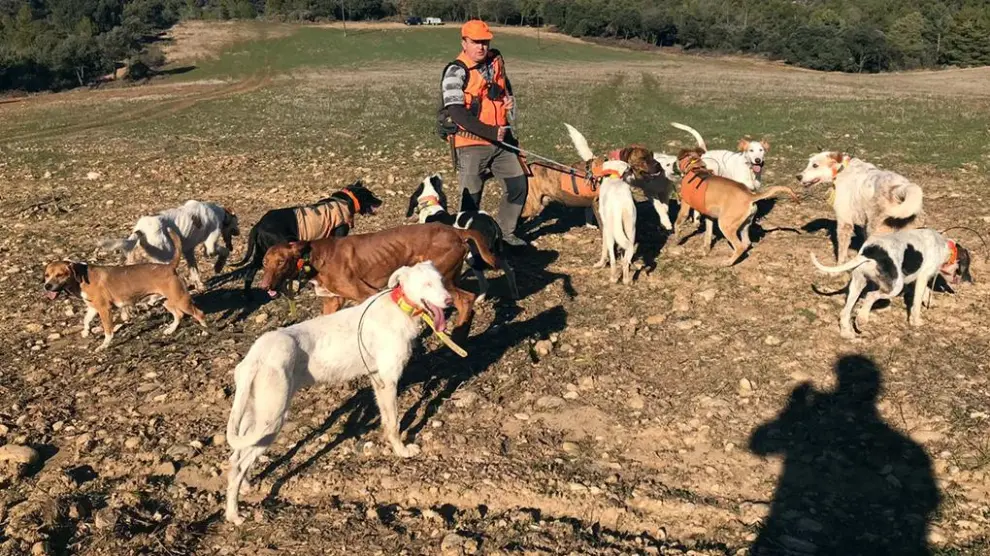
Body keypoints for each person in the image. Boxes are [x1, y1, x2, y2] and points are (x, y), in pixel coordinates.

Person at [438, 19, 529, 246]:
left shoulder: (496, 63)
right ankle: (468, 244)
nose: (481, 47)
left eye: (485, 42)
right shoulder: (455, 71)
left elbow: (505, 91)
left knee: (518, 185)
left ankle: (505, 234)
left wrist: (508, 102)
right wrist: (490, 132)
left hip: (501, 142)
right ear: (464, 43)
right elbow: (456, 112)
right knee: (471, 198)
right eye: (476, 42)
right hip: (471, 144)